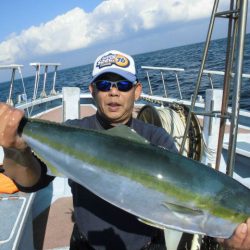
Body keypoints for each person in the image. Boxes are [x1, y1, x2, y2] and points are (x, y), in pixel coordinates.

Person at [0, 50, 250, 250]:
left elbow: (188, 209)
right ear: (92, 90)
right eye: (104, 83)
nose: (113, 91)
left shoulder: (156, 137)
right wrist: (13, 150)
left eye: (123, 84)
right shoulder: (73, 132)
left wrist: (229, 242)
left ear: (137, 90)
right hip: (87, 243)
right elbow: (31, 182)